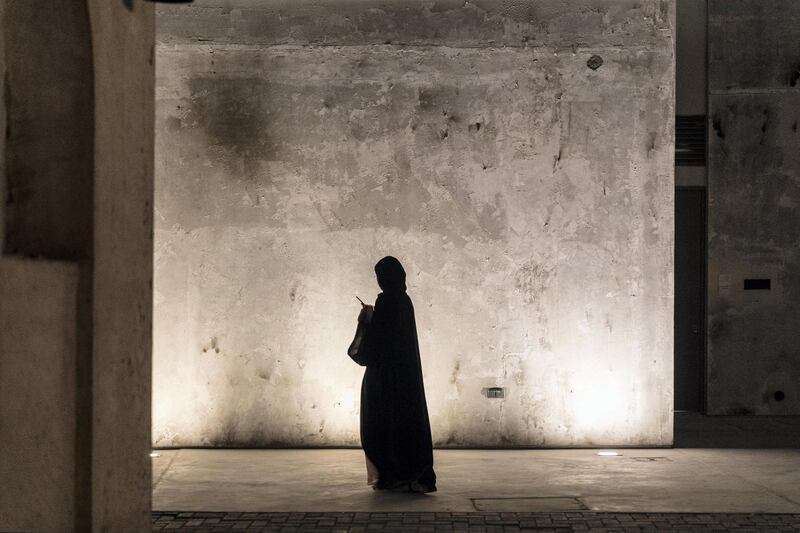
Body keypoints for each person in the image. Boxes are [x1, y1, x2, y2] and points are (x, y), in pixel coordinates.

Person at [347, 256, 437, 493]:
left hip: (384, 378)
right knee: (403, 423)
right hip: (404, 378)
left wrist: (366, 321)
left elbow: (373, 346)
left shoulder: (386, 302)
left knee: (381, 424)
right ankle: (408, 475)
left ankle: (392, 475)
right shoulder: (404, 301)